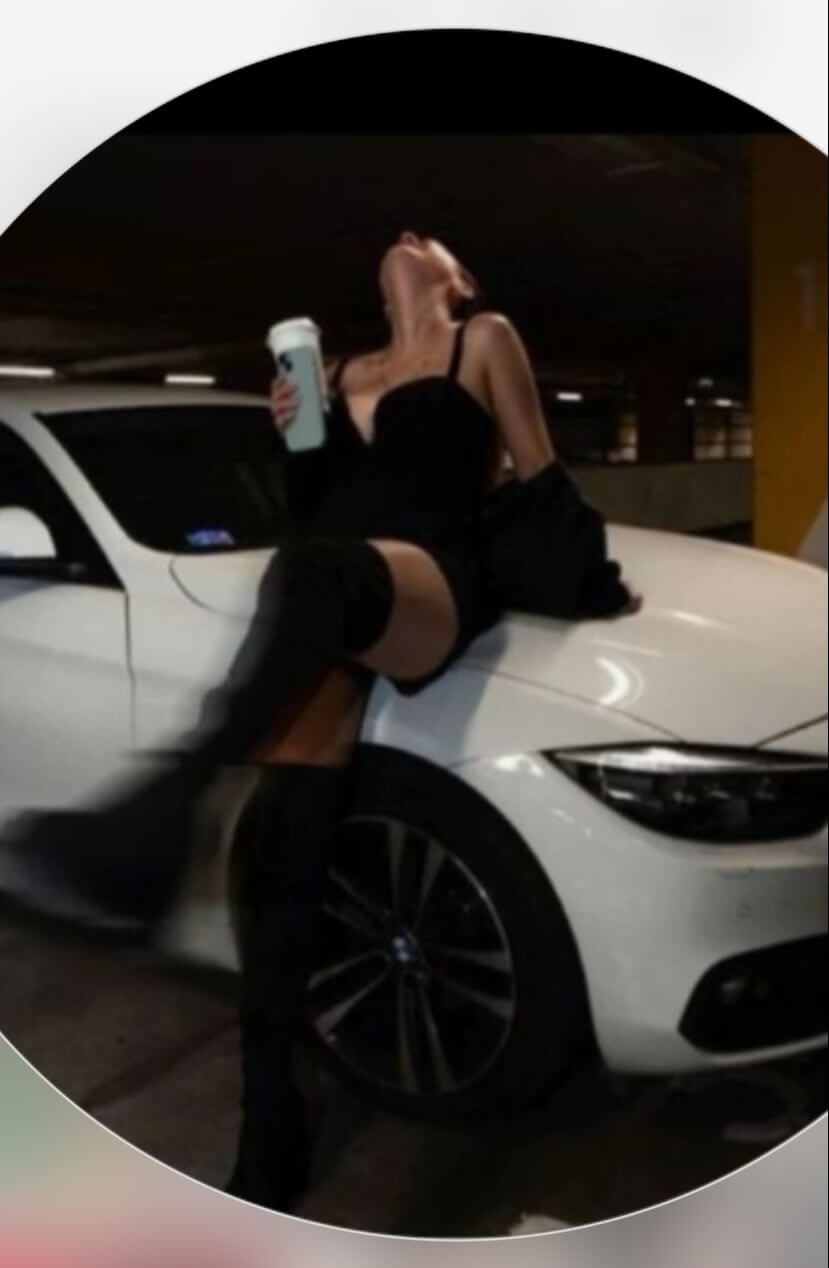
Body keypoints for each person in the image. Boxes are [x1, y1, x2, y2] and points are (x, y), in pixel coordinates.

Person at [0, 231, 638, 1212]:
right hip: (329, 591)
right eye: (400, 237)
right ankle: (270, 1109)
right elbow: (315, 506)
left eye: (429, 240)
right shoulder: (333, 371)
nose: (409, 240)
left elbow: (539, 473)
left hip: (429, 579)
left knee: (318, 568)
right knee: (284, 834)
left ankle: (165, 803)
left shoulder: (480, 339)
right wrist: (298, 430)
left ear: (458, 277)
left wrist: (588, 578)